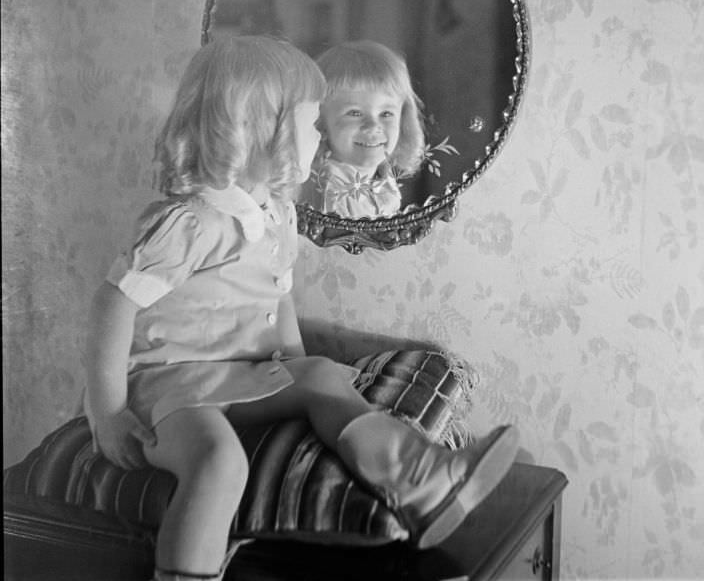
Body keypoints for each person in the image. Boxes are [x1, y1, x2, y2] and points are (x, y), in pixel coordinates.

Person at [84, 35, 519, 581]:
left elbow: (277, 297)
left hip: (238, 374)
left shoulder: (277, 213)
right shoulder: (191, 221)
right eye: (314, 125)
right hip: (170, 387)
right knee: (219, 462)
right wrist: (107, 410)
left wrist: (293, 367)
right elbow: (113, 305)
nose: (321, 139)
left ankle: (421, 478)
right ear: (262, 127)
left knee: (322, 373)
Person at [308, 40, 426, 218]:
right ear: (320, 121)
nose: (373, 126)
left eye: (386, 113)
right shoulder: (327, 190)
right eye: (354, 113)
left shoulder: (383, 181)